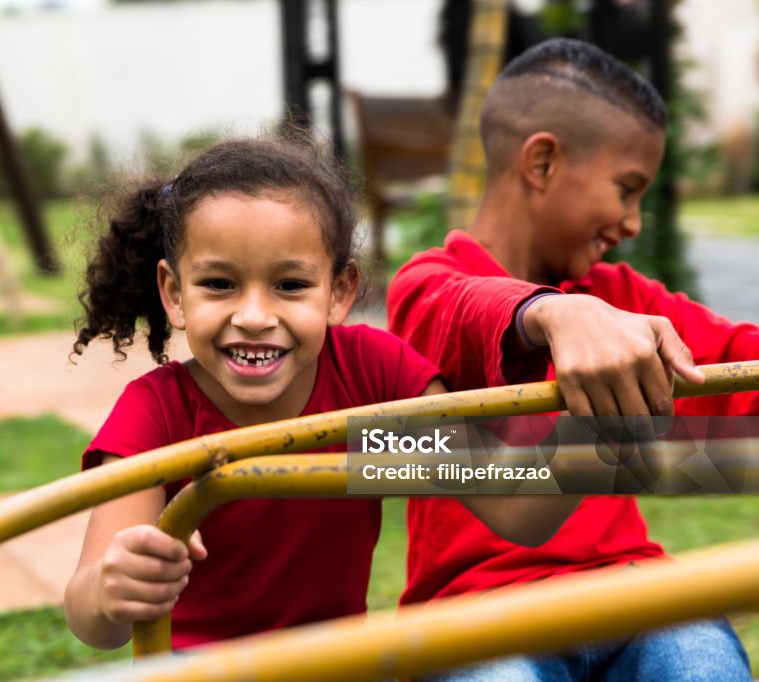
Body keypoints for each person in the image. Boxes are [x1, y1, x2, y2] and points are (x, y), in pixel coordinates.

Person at [62, 137, 576, 651]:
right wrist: (112, 587)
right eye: (219, 284)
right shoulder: (156, 413)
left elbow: (515, 507)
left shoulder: (373, 377)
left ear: (339, 293)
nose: (255, 317)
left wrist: (602, 409)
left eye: (290, 285)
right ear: (174, 293)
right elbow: (93, 620)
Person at [387, 38, 755, 680]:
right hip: (479, 610)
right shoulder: (426, 286)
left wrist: (586, 309)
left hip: (631, 590)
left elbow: (737, 363)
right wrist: (554, 313)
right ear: (543, 162)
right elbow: (465, 307)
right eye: (627, 188)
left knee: (701, 659)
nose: (634, 221)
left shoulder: (623, 297)